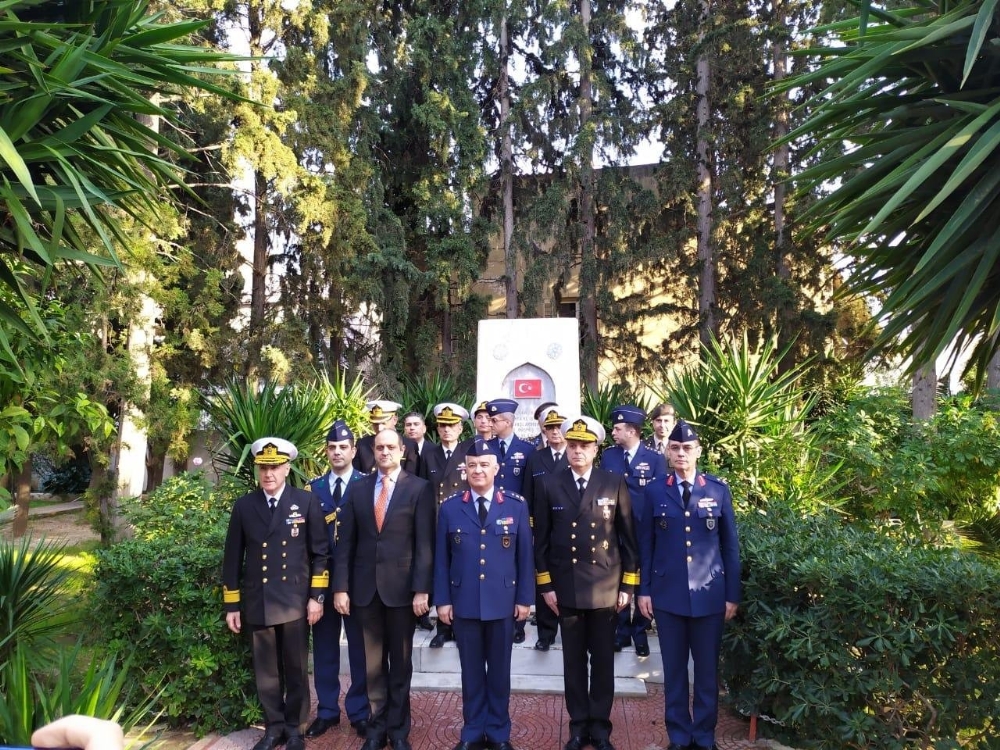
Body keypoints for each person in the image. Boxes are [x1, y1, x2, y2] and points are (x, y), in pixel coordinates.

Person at [533, 417, 639, 750]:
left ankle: (601, 728)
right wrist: (546, 586)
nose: (577, 451)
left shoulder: (613, 482)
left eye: (584, 446)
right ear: (565, 446)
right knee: (574, 662)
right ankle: (578, 726)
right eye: (572, 445)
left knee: (603, 661)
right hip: (566, 586)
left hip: (606, 585)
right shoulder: (550, 483)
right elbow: (542, 542)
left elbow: (627, 538)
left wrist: (628, 586)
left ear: (596, 449)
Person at [637, 420, 741, 750]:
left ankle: (704, 736)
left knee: (707, 673)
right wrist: (645, 590)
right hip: (668, 598)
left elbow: (730, 547)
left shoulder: (717, 490)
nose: (681, 453)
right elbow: (646, 545)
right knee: (675, 672)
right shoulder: (655, 490)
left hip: (710, 597)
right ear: (668, 451)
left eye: (687, 448)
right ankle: (680, 736)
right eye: (675, 448)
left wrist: (732, 595)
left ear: (698, 451)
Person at [223, 438, 329, 750]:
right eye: (263, 467)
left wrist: (316, 597)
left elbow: (321, 554)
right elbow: (232, 559)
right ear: (258, 470)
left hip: (295, 602)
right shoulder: (245, 506)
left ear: (286, 468)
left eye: (275, 467)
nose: (269, 473)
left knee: (295, 668)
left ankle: (295, 729)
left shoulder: (305, 502)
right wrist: (232, 605)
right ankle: (274, 727)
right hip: (259, 600)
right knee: (266, 672)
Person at [333, 429, 436, 750]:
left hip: (402, 592)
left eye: (391, 447)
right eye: (379, 447)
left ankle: (399, 730)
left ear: (402, 450)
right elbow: (345, 542)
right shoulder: (359, 489)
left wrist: (422, 590)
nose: (385, 452)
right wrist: (341, 588)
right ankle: (376, 731)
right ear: (373, 451)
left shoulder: (419, 489)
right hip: (365, 591)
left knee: (401, 664)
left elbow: (424, 544)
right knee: (372, 666)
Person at [434, 440, 534, 750]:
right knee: (471, 673)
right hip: (463, 602)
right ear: (465, 469)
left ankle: (499, 732)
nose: (478, 470)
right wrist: (443, 600)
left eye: (484, 464)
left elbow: (525, 557)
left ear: (496, 468)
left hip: (503, 603)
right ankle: (473, 730)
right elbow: (441, 559)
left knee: (500, 673)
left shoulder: (515, 505)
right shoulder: (451, 507)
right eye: (472, 465)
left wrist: (524, 599)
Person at [304, 421, 371, 739]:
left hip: (356, 583)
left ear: (354, 450)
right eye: (332, 447)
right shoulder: (314, 489)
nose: (337, 452)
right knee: (325, 649)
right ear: (326, 451)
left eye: (343, 447)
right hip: (321, 582)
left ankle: (359, 711)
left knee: (359, 649)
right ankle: (328, 711)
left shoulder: (366, 485)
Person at [599, 404, 668, 657]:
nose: (613, 432)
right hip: (614, 530)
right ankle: (621, 631)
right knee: (618, 579)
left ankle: (640, 631)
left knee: (642, 580)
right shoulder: (609, 456)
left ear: (632, 431)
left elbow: (661, 495)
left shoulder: (655, 459)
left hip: (643, 530)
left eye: (618, 429)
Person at [424, 402, 473, 648]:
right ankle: (443, 629)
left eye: (452, 425)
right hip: (436, 520)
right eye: (442, 425)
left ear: (461, 427)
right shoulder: (428, 453)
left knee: (461, 572)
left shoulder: (469, 451)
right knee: (441, 571)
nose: (446, 430)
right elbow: (423, 489)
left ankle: (461, 625)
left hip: (462, 521)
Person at [486, 397, 535, 643]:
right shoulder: (483, 447)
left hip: (515, 518)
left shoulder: (527, 450)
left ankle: (518, 623)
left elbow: (529, 487)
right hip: (488, 517)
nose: (490, 423)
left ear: (508, 421)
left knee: (517, 566)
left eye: (495, 420)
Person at [520, 404, 569, 652]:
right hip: (541, 528)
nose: (555, 432)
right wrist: (529, 528)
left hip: (567, 528)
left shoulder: (575, 454)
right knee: (543, 579)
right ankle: (546, 633)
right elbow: (527, 494)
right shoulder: (535, 458)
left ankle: (569, 630)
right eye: (550, 428)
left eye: (559, 427)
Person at [354, 400, 420, 475]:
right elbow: (356, 476)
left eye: (383, 423)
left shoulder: (409, 446)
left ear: (395, 420)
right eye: (375, 424)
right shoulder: (362, 444)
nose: (380, 428)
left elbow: (412, 479)